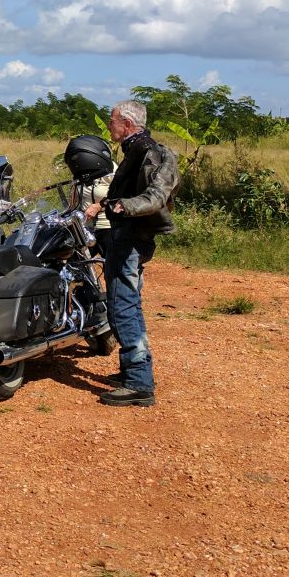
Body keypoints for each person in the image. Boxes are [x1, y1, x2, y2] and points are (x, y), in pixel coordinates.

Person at [83, 100, 179, 408]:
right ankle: (133, 371)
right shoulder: (134, 151)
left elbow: (156, 197)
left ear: (127, 124)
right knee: (125, 304)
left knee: (123, 307)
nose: (108, 125)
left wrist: (123, 206)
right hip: (124, 235)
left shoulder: (152, 152)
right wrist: (103, 204)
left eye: (112, 121)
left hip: (133, 238)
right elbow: (124, 191)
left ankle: (139, 382)